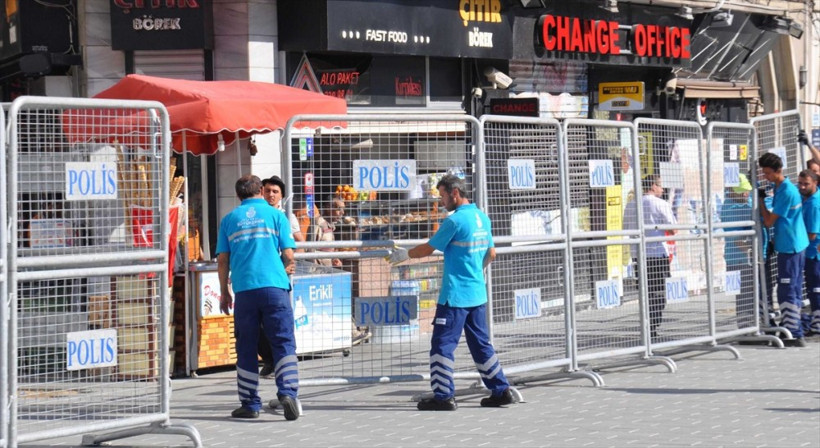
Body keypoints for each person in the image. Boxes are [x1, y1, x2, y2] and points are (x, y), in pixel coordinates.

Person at [389, 174, 515, 411]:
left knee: (442, 345)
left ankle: (444, 395)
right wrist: (475, 272)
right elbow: (492, 254)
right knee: (481, 344)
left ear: (454, 193)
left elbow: (429, 247)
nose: (441, 201)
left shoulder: (454, 221)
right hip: (477, 293)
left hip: (455, 296)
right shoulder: (482, 217)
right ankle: (501, 389)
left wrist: (405, 254)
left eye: (443, 196)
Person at [216, 174, 300, 420]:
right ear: (261, 191)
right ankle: (287, 393)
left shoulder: (229, 220)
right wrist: (287, 265)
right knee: (283, 341)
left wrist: (224, 292)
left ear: (238, 195)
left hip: (245, 290)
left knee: (246, 347)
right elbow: (288, 253)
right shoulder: (277, 216)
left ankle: (250, 404)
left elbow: (223, 260)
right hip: (275, 287)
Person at [254, 176, 305, 379]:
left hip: (278, 278)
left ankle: (280, 364)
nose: (271, 195)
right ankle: (269, 359)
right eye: (267, 191)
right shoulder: (255, 215)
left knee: (277, 323)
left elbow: (297, 244)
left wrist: (289, 263)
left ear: (281, 196)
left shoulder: (285, 217)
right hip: (257, 276)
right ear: (261, 192)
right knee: (256, 324)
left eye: (275, 191)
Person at [758, 153, 808, 347]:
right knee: (790, 288)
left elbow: (770, 220)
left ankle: (793, 333)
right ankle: (793, 329)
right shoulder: (778, 187)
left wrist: (761, 202)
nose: (765, 176)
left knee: (788, 290)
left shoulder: (786, 190)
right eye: (763, 173)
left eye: (768, 173)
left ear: (778, 171)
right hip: (788, 244)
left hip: (791, 246)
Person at [624, 175, 677, 340]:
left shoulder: (631, 204)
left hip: (638, 254)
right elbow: (674, 228)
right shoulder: (660, 204)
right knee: (659, 291)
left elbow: (625, 228)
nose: (663, 189)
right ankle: (653, 325)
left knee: (645, 291)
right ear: (653, 186)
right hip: (656, 253)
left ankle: (647, 324)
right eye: (661, 186)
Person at [719, 174, 755, 328]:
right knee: (744, 296)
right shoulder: (731, 209)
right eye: (741, 191)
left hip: (738, 258)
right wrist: (754, 253)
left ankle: (749, 325)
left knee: (747, 295)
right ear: (731, 191)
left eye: (746, 190)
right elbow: (738, 240)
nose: (745, 194)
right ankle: (745, 327)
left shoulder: (742, 202)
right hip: (738, 259)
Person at [797, 170, 820, 336]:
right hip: (810, 253)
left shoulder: (813, 203)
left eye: (806, 184)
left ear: (815, 183)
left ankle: (817, 324)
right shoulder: (808, 199)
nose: (802, 186)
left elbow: (811, 234)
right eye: (800, 183)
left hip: (813, 254)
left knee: (815, 289)